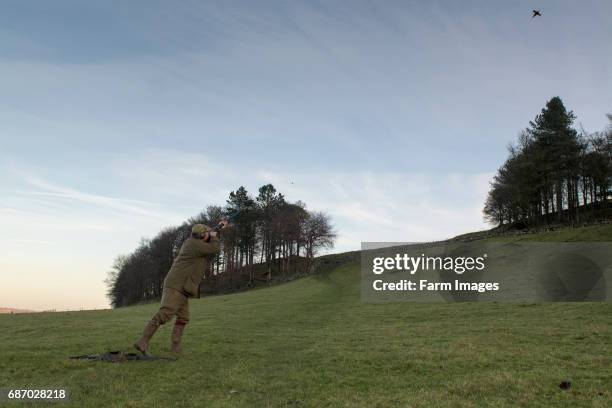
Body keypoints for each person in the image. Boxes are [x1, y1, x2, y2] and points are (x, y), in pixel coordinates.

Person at [134, 221, 228, 355]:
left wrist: (219, 228)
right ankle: (143, 341)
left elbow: (209, 243)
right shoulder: (193, 245)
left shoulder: (196, 243)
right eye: (207, 234)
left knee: (183, 318)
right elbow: (215, 248)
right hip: (176, 286)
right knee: (165, 313)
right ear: (202, 236)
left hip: (183, 288)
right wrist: (213, 236)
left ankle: (175, 347)